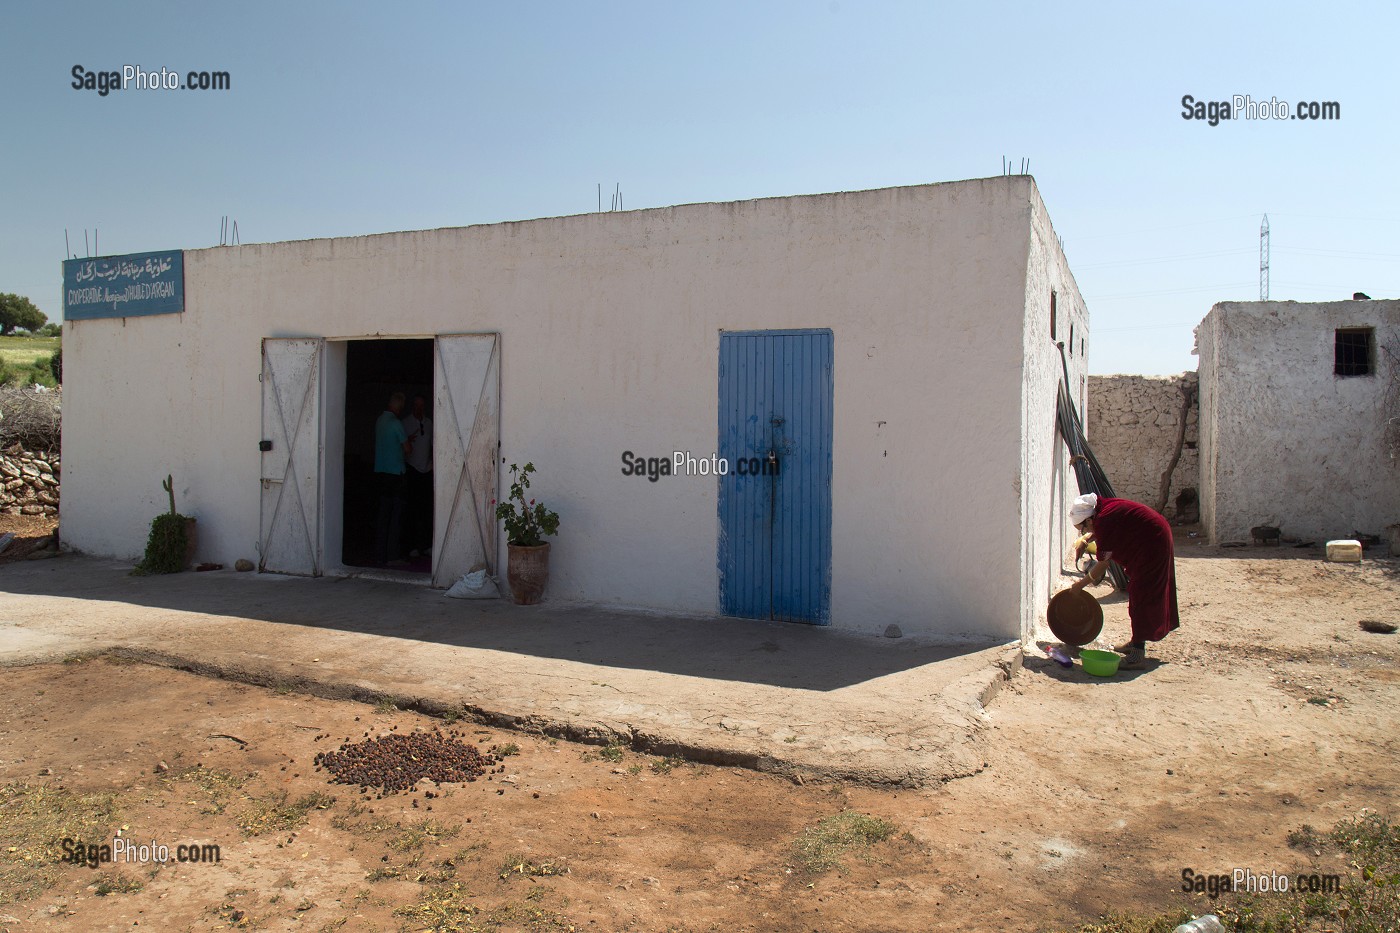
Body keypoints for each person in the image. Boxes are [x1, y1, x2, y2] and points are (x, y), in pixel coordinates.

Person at [1069, 492, 1179, 669]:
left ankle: (1137, 655)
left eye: (1084, 529)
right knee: (1138, 593)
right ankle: (1136, 641)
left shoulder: (1103, 520)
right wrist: (1087, 539)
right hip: (1152, 536)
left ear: (1090, 520)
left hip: (1153, 543)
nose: (1086, 532)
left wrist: (1080, 585)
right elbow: (1114, 527)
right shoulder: (1102, 510)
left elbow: (1103, 564)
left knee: (1142, 595)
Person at [373, 391, 411, 566]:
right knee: (396, 516)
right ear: (399, 406)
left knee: (382, 516)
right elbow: (408, 449)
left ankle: (380, 554)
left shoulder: (380, 420)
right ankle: (393, 556)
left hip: (380, 473)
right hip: (396, 474)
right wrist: (408, 441)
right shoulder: (396, 424)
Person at [400, 395, 433, 558]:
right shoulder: (405, 423)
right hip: (412, 469)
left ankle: (427, 545)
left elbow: (433, 444)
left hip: (426, 470)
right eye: (416, 406)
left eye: (422, 406)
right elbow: (401, 446)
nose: (419, 409)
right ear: (412, 407)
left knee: (427, 510)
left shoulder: (429, 423)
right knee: (412, 510)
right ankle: (411, 546)